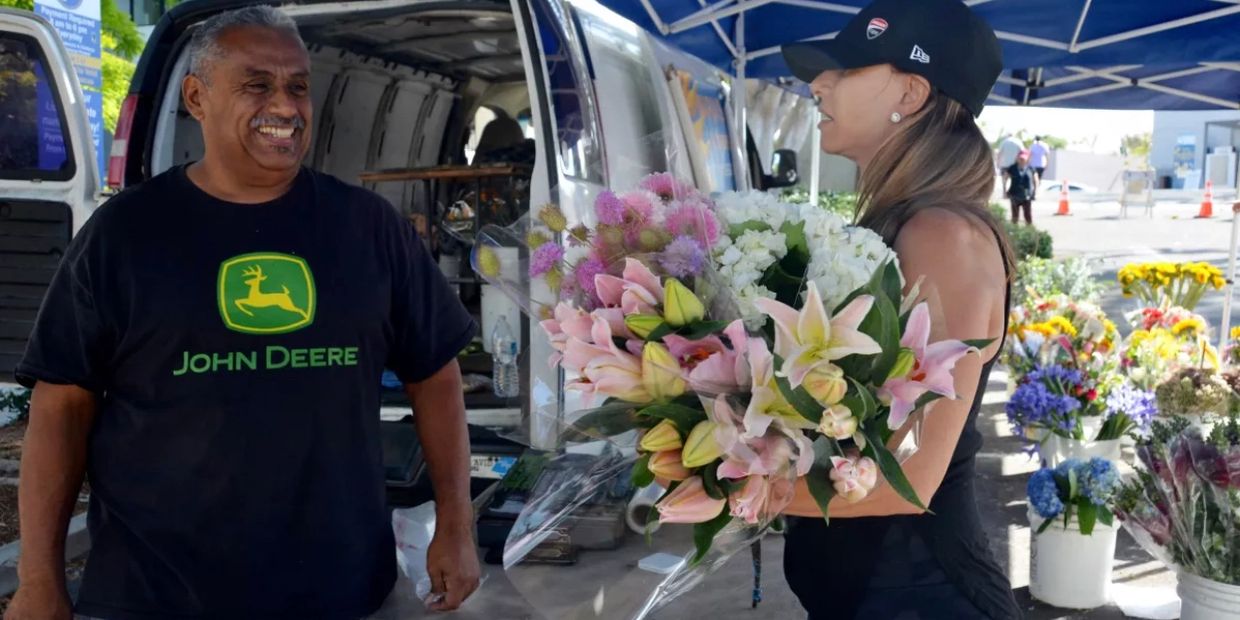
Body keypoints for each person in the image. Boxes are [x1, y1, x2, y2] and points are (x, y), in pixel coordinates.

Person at [5, 7, 480, 620]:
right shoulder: (125, 235)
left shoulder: (367, 229)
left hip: (340, 593)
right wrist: (39, 578)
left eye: (298, 86)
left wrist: (457, 524)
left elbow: (435, 377)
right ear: (197, 98)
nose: (285, 106)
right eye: (257, 84)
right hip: (156, 594)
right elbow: (61, 404)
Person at [781, 0, 1021, 618]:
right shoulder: (898, 223)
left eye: (846, 69)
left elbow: (906, 479)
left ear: (911, 92)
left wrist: (710, 485)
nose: (818, 84)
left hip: (922, 595)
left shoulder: (943, 236)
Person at [1006, 149, 1037, 225]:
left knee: (1028, 215)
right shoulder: (1012, 168)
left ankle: (1029, 231)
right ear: (1017, 158)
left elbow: (1035, 180)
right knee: (1015, 216)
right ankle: (1014, 231)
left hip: (1027, 195)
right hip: (1014, 194)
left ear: (1027, 159)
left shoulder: (1031, 169)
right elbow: (1006, 179)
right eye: (1020, 158)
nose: (1022, 160)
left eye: (1024, 159)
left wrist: (1034, 192)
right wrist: (1005, 190)